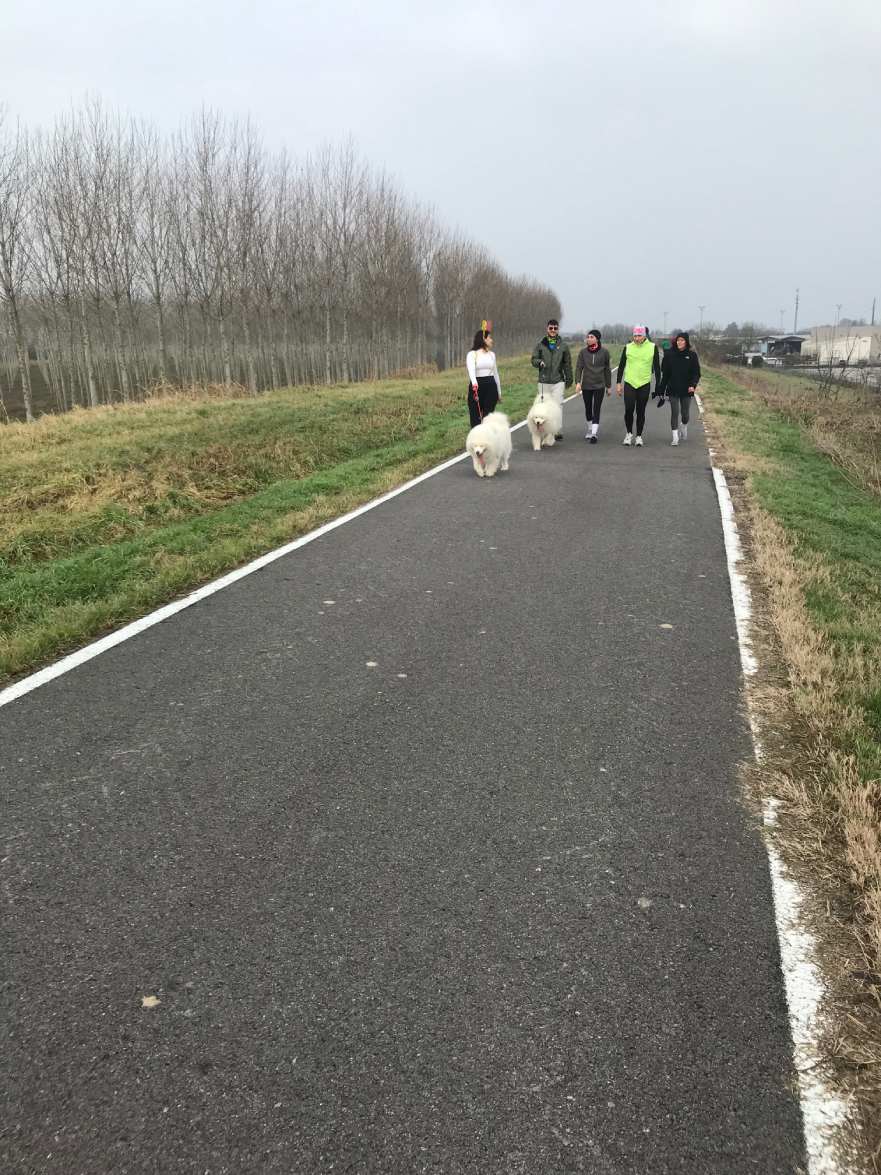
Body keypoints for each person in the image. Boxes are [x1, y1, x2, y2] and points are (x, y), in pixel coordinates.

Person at [616, 324, 661, 446]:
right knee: (629, 409)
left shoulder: (652, 347)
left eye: (639, 336)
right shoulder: (628, 347)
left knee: (641, 411)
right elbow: (621, 366)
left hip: (644, 383)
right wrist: (618, 383)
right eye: (635, 335)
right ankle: (629, 433)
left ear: (644, 336)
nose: (636, 338)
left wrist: (658, 385)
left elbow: (657, 368)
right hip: (630, 382)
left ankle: (639, 436)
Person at [531, 318, 573, 440]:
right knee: (544, 406)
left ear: (558, 329)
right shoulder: (540, 345)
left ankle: (557, 430)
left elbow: (567, 364)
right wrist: (539, 362)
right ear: (547, 329)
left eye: (555, 328)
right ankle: (545, 430)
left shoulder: (563, 346)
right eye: (551, 328)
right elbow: (533, 359)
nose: (553, 330)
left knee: (557, 405)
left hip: (558, 380)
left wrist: (569, 379)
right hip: (543, 381)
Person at [657, 330, 701, 445]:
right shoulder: (670, 355)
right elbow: (665, 374)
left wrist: (693, 385)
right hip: (673, 388)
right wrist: (661, 389)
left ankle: (684, 425)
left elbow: (696, 373)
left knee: (685, 414)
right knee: (675, 412)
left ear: (686, 342)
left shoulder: (692, 355)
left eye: (682, 340)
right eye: (678, 340)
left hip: (687, 389)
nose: (679, 342)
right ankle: (675, 437)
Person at [575, 329, 612, 443]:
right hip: (586, 385)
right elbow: (579, 368)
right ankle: (590, 429)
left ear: (597, 339)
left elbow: (607, 370)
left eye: (591, 337)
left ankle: (594, 434)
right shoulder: (583, 352)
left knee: (596, 408)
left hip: (599, 385)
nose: (589, 339)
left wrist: (608, 386)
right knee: (588, 408)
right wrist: (578, 382)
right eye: (588, 337)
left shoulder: (604, 352)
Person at [465, 323, 501, 427]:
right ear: (483, 339)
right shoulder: (472, 354)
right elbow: (471, 370)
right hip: (477, 387)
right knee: (475, 417)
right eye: (489, 338)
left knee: (488, 418)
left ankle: (487, 435)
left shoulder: (492, 355)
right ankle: (476, 435)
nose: (492, 340)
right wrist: (474, 384)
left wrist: (499, 392)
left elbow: (495, 374)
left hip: (491, 387)